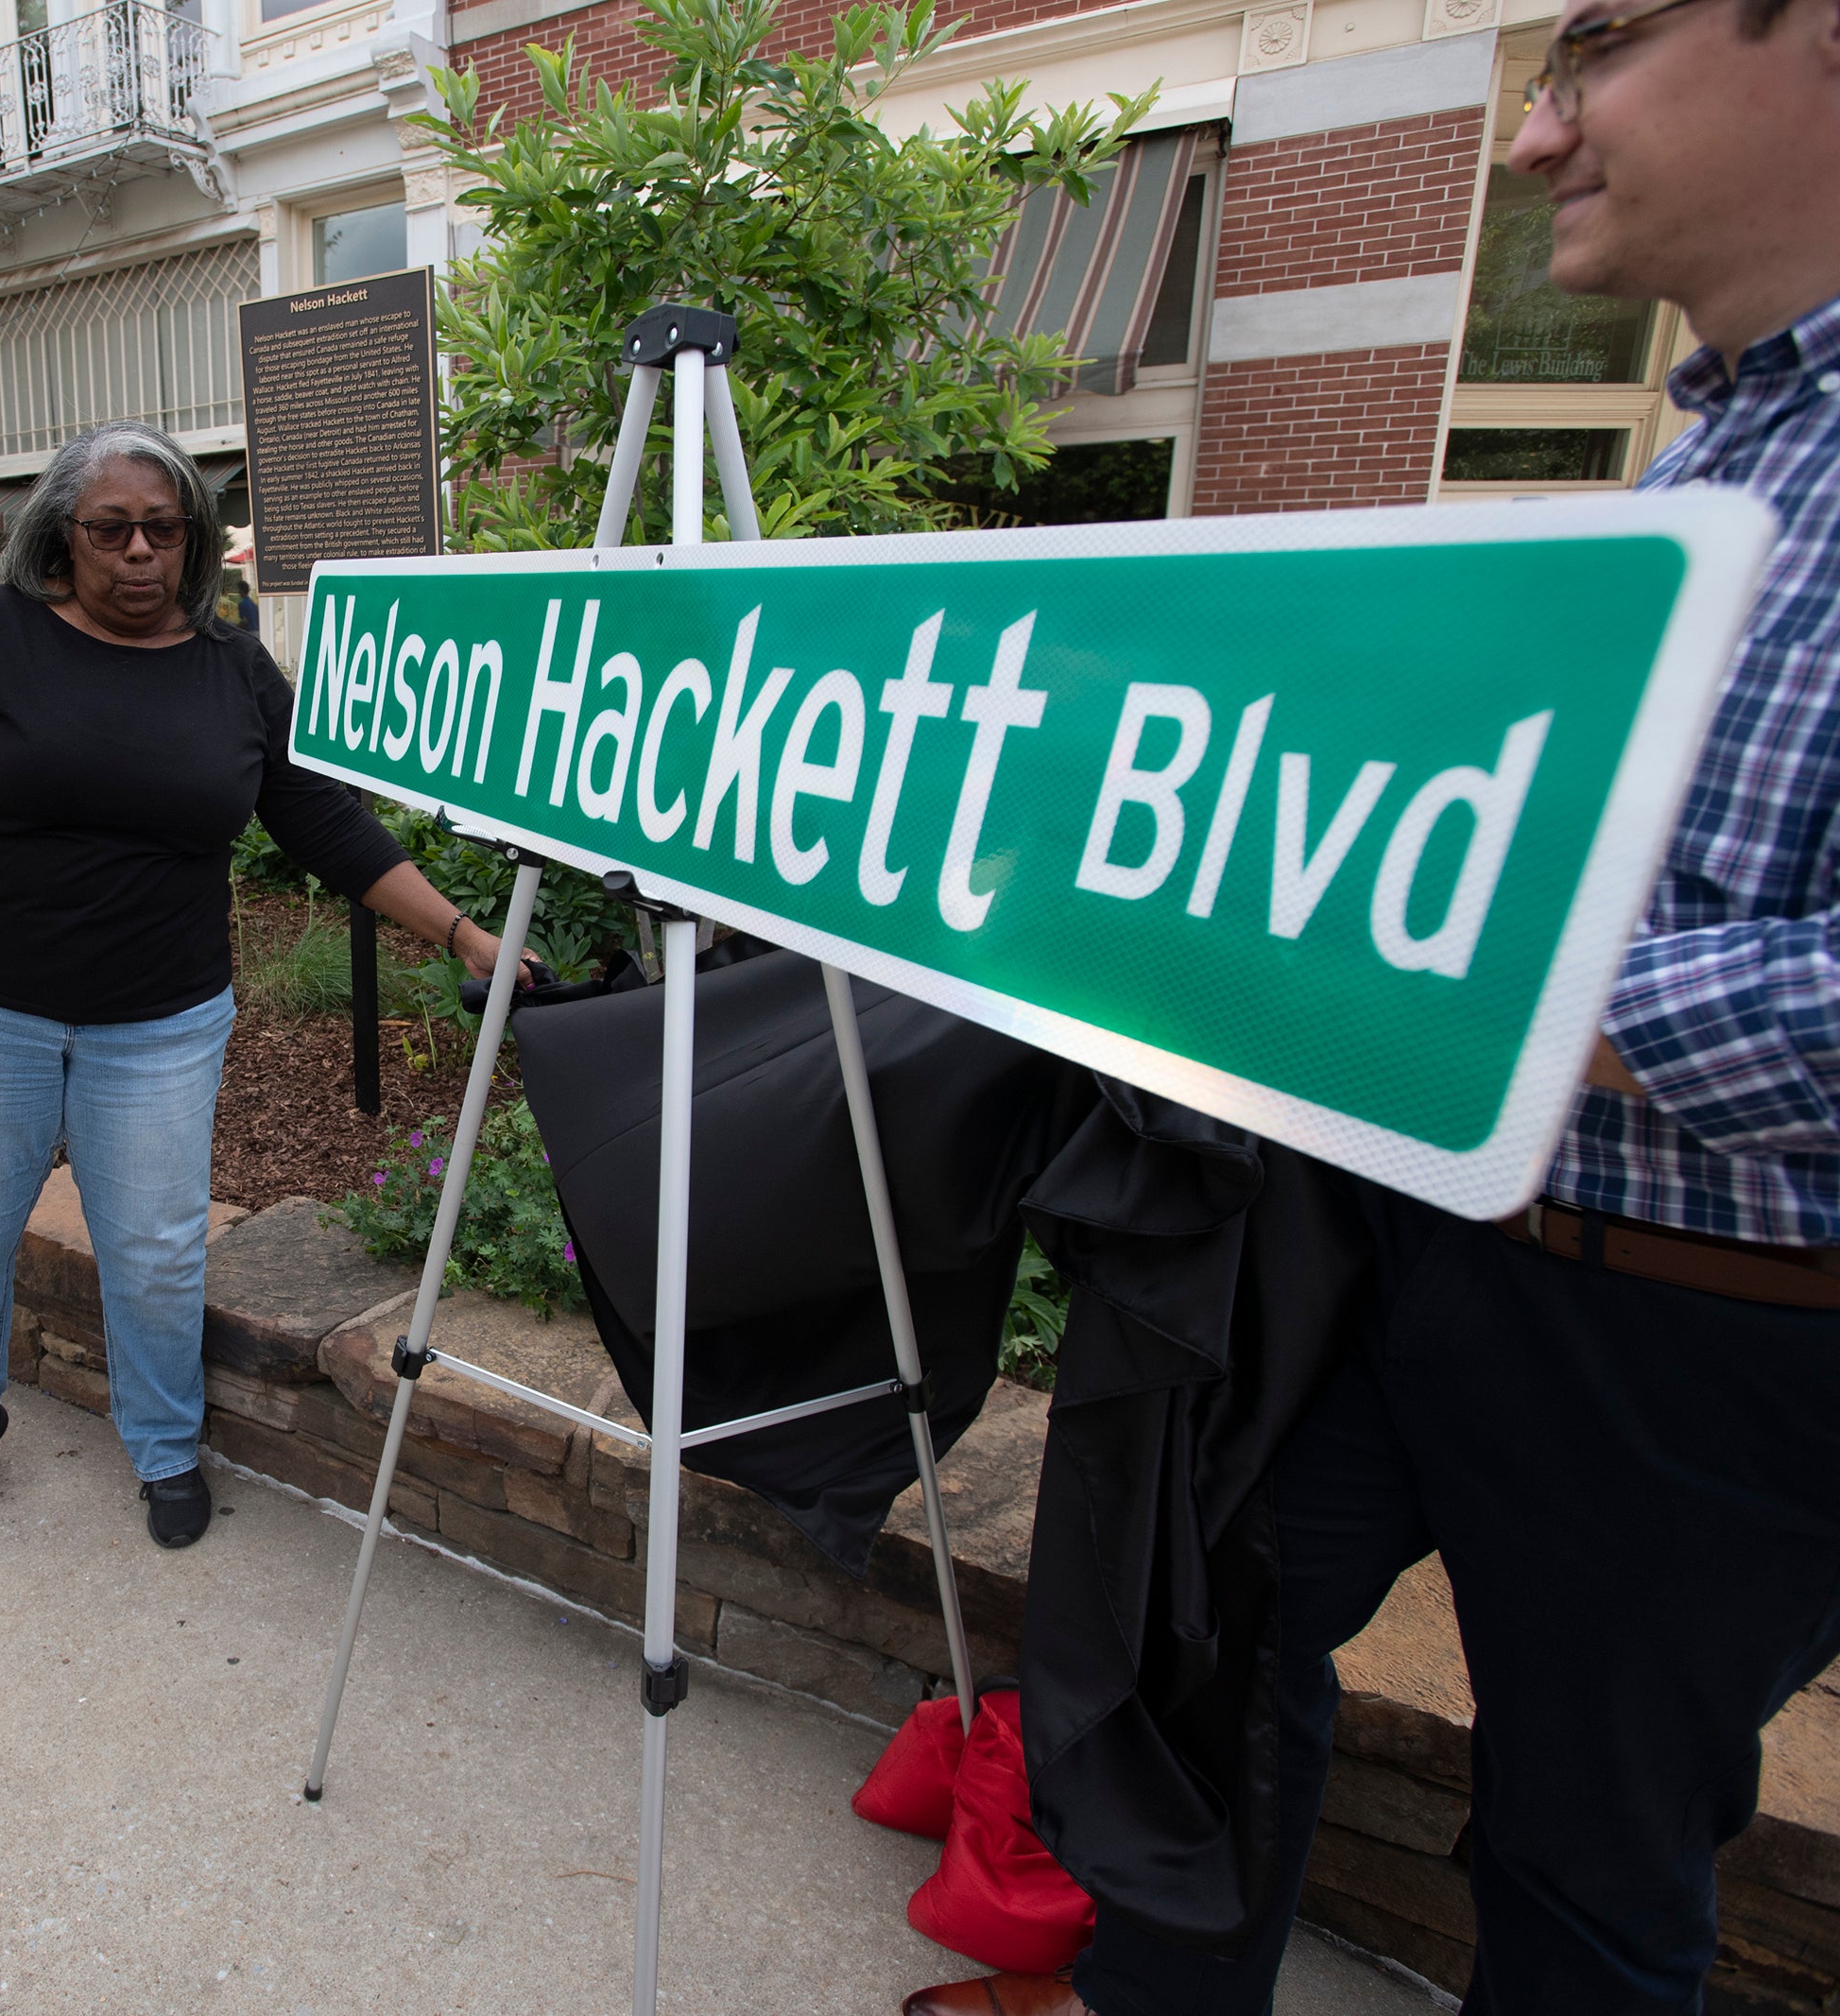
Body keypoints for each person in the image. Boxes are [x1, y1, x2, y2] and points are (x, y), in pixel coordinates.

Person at [903, 0, 1840, 2010]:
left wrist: (1467, 981)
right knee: (1194, 1661)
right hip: (1411, 1243)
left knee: (1587, 1863)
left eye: (1597, 47)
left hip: (1713, 1339)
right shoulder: (1722, 442)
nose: (1535, 135)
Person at [0, 420, 532, 1549]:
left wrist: (460, 932)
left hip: (158, 1025)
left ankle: (165, 1445)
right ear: (62, 536)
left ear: (193, 540)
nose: (139, 551)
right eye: (111, 529)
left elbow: (321, 819)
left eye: (162, 529)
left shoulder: (231, 670)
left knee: (154, 1251)